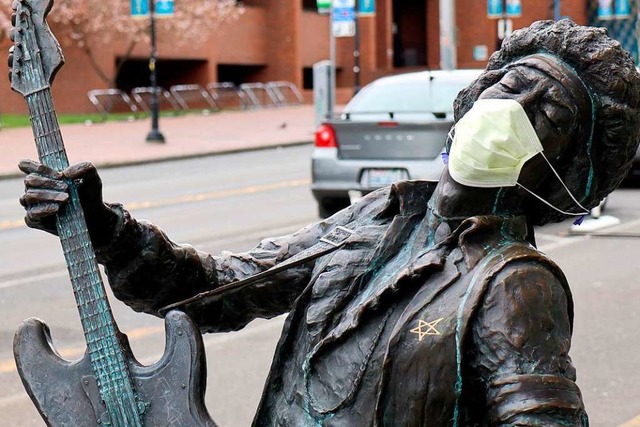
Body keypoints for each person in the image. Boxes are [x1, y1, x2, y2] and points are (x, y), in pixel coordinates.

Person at [17, 20, 640, 426]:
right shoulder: (380, 215)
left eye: (548, 113)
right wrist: (103, 228)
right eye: (510, 85)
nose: (511, 108)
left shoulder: (515, 285)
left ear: (563, 167)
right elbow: (213, 291)